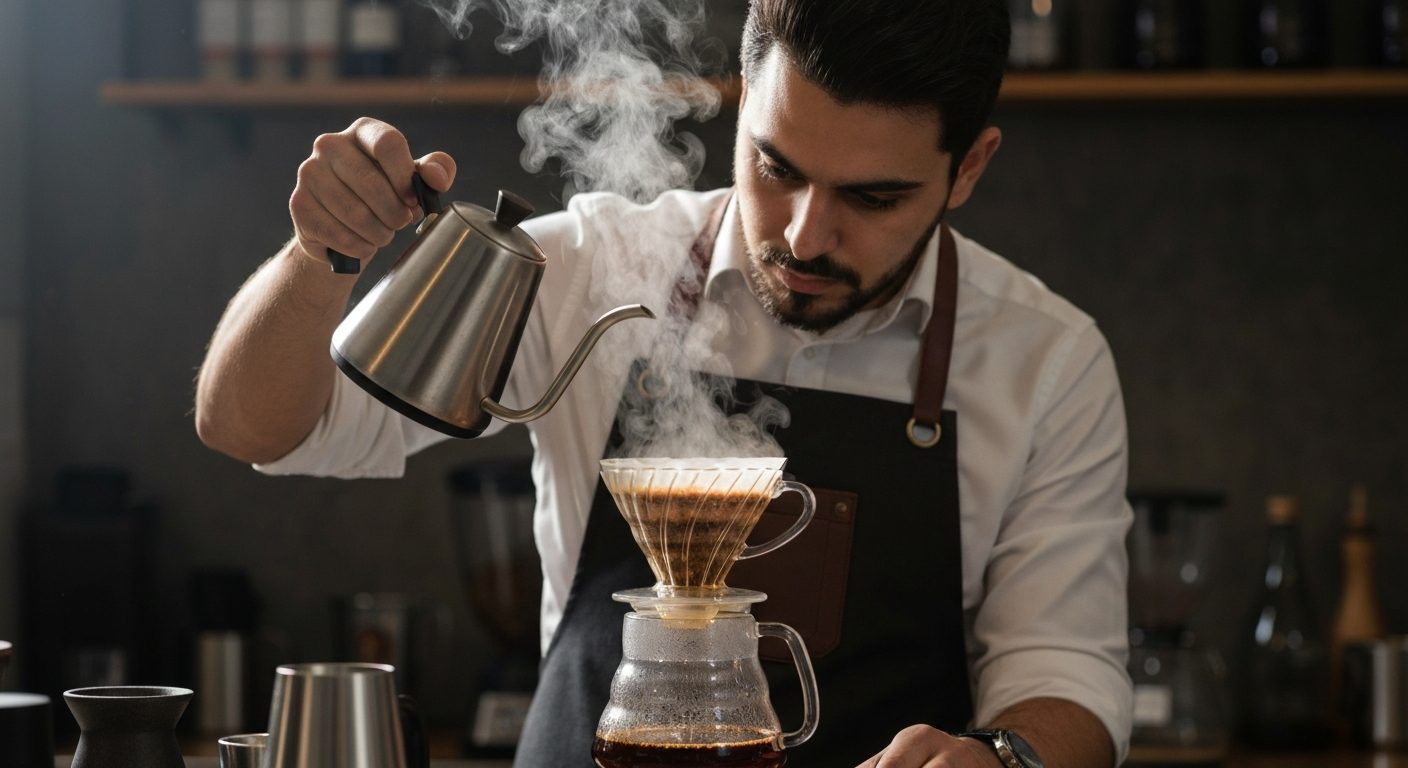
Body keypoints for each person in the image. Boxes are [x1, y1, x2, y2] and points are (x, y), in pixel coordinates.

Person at [196, 0, 1133, 765]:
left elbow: (1068, 674)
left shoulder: (1045, 361)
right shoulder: (579, 271)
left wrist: (1005, 759)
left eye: (873, 197)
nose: (805, 235)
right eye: (776, 166)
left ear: (969, 168)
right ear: (745, 103)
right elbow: (257, 430)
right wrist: (322, 254)